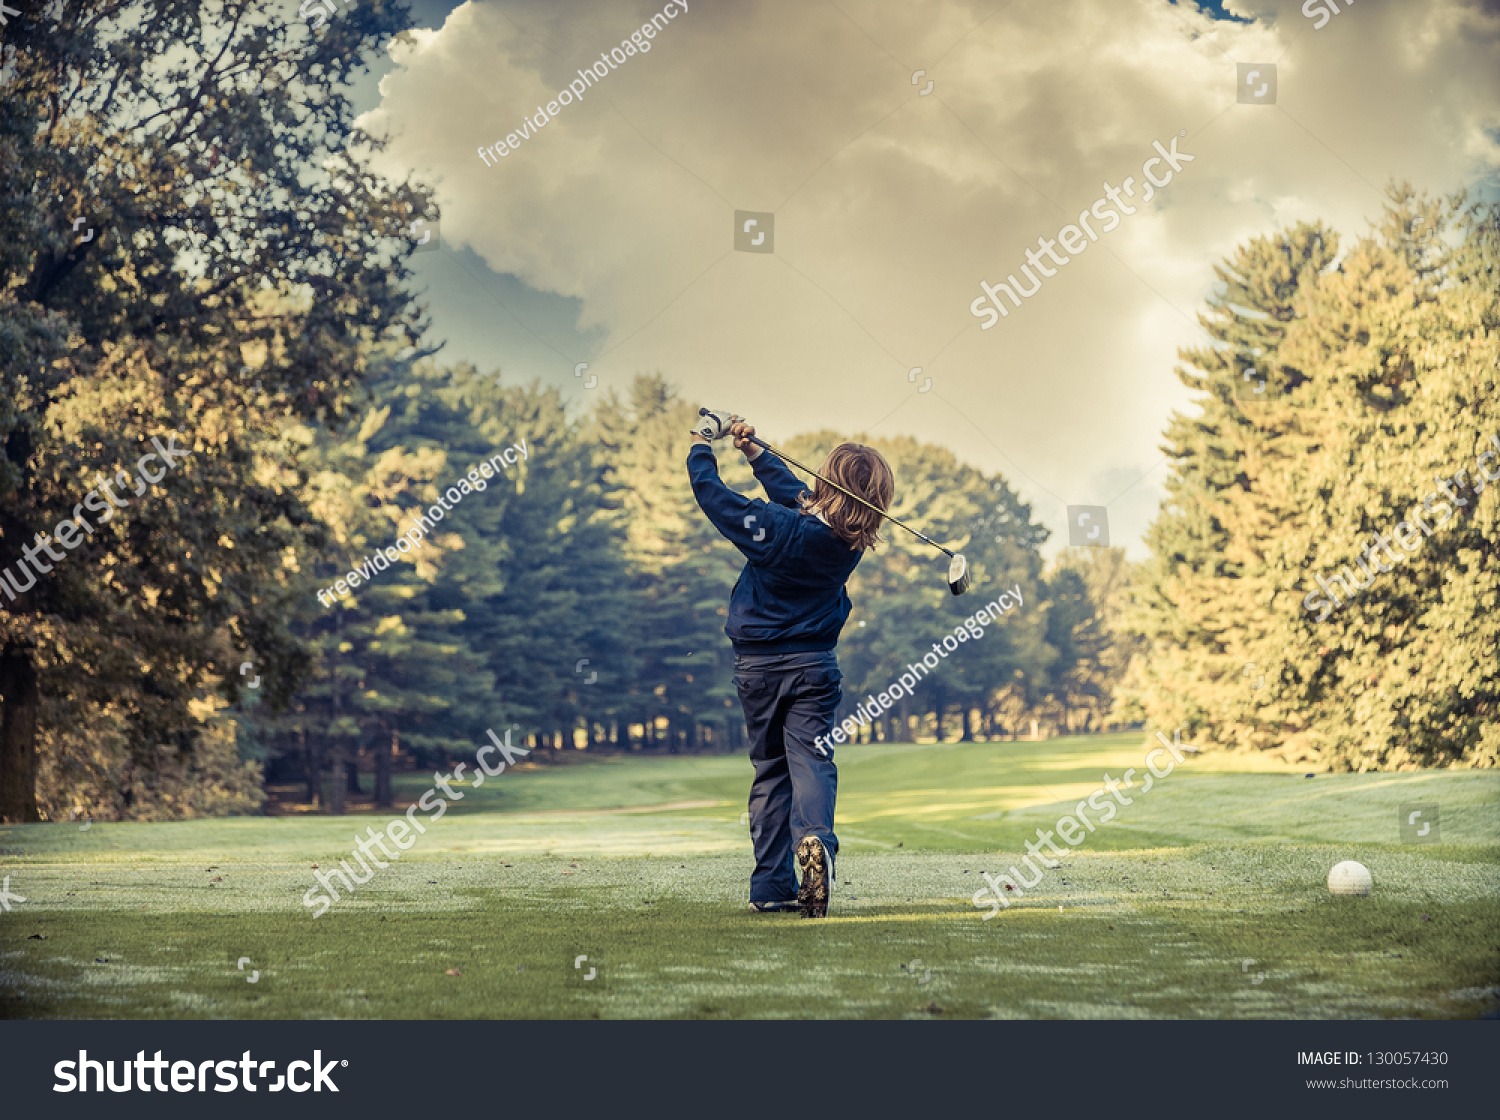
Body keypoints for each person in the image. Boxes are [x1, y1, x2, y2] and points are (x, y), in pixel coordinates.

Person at [686, 409, 895, 918]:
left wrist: (701, 444)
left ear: (829, 482)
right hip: (815, 667)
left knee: (771, 772)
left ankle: (771, 885)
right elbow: (798, 498)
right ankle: (817, 840)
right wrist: (756, 454)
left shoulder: (781, 529)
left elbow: (715, 499)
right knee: (812, 762)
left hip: (759, 669)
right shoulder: (849, 538)